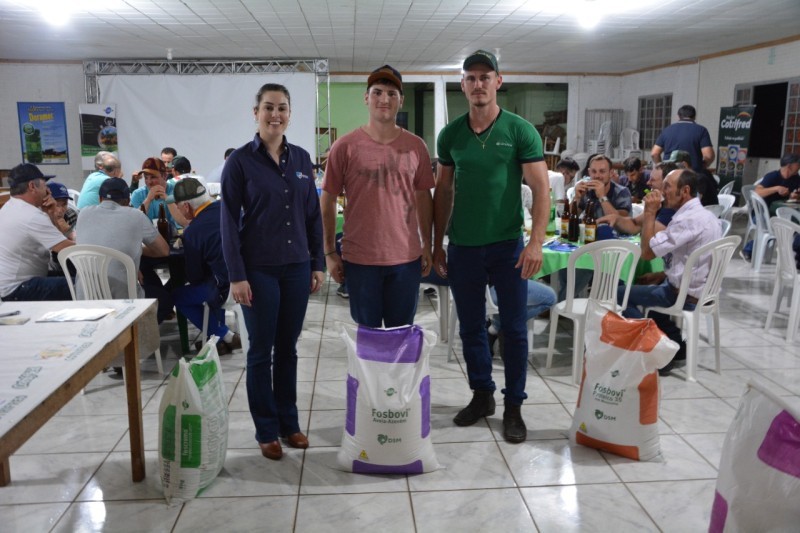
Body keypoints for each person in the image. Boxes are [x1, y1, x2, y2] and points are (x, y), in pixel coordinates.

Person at [433, 50, 550, 444]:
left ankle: (514, 404)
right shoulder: (451, 135)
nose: (478, 84)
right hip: (463, 247)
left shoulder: (519, 130)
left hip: (507, 247)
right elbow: (444, 191)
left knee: (514, 329)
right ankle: (482, 394)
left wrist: (535, 243)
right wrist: (436, 244)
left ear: (498, 81)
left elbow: (541, 188)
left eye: (485, 77)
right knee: (471, 328)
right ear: (462, 85)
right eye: (471, 77)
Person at [221, 83, 324, 461]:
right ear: (256, 113)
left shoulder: (301, 159)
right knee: (261, 351)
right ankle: (266, 430)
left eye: (282, 108)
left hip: (296, 267)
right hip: (258, 270)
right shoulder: (239, 163)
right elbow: (227, 223)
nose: (275, 114)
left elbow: (312, 215)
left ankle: (288, 422)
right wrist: (237, 275)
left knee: (288, 350)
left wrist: (317, 262)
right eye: (268, 107)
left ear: (290, 114)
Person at [321, 65, 435, 327]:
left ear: (401, 100)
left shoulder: (416, 146)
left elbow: (423, 198)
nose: (385, 99)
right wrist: (329, 252)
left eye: (392, 94)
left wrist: (427, 245)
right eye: (378, 92)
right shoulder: (345, 146)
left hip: (406, 259)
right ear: (366, 98)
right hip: (360, 260)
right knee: (368, 337)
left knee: (400, 335)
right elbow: (327, 200)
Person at [618, 169, 722, 376]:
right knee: (652, 289)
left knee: (620, 293)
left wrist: (650, 212)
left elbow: (647, 253)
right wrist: (662, 275)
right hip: (703, 290)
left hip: (684, 295)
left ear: (685, 191)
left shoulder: (687, 220)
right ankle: (676, 345)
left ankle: (657, 350)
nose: (661, 190)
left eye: (667, 186)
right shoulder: (708, 216)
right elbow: (694, 260)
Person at [171, 178, 241, 355]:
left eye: (177, 207)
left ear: (186, 206)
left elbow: (194, 276)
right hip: (251, 278)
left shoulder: (193, 231)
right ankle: (218, 340)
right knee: (213, 279)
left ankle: (225, 336)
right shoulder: (231, 209)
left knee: (178, 296)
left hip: (228, 289)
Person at [75, 177, 169, 301]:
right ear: (127, 201)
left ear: (100, 199)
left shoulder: (83, 213)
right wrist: (135, 250)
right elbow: (164, 250)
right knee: (165, 298)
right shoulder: (136, 216)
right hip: (124, 301)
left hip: (85, 299)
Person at [0, 164, 74, 301]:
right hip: (18, 289)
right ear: (32, 186)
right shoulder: (31, 216)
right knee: (85, 284)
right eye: (45, 185)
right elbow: (68, 249)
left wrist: (51, 214)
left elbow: (57, 241)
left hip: (11, 285)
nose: (48, 191)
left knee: (73, 278)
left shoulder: (10, 206)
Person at [741, 153, 800, 260]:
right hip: (763, 213)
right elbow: (757, 192)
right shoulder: (772, 176)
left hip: (784, 213)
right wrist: (776, 188)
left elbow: (795, 193)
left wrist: (795, 196)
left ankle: (796, 253)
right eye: (798, 164)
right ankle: (749, 249)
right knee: (770, 227)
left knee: (794, 226)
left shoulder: (796, 178)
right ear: (790, 166)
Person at [598, 161, 679, 235]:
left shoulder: (672, 213)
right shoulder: (660, 205)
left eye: (652, 180)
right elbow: (635, 224)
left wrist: (650, 212)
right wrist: (616, 219)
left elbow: (649, 242)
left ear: (667, 185)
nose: (648, 183)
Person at [651, 104, 714, 173]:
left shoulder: (667, 130)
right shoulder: (701, 130)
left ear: (678, 116)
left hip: (669, 173)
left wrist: (662, 168)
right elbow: (709, 156)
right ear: (694, 116)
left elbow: (654, 153)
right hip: (692, 174)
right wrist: (701, 167)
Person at [573, 154, 632, 220]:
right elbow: (569, 217)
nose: (597, 176)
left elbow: (620, 222)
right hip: (590, 226)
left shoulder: (622, 192)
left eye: (602, 171)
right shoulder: (588, 191)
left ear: (611, 173)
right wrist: (577, 198)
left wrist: (602, 197)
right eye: (593, 171)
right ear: (589, 172)